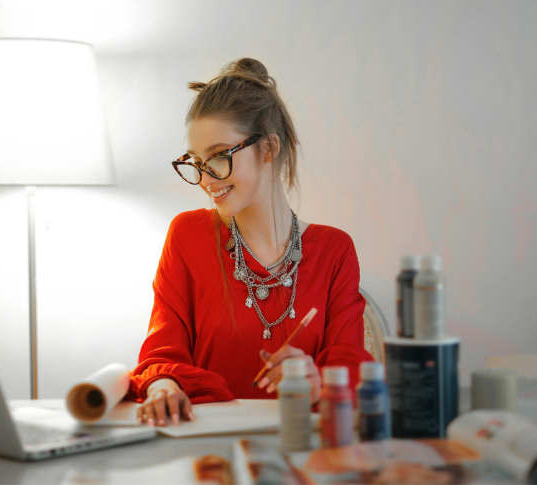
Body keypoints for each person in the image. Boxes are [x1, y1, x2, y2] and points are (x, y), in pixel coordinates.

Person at [127, 58, 373, 427]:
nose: (206, 179)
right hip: (206, 443)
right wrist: (163, 387)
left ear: (268, 148)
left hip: (300, 442)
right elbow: (161, 353)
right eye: (196, 162)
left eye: (219, 156)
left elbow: (350, 364)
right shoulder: (188, 235)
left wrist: (317, 380)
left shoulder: (334, 250)